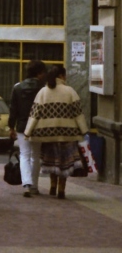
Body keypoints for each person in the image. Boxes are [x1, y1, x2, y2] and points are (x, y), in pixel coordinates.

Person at [25, 65, 88, 199]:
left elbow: (35, 113)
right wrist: (83, 130)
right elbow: (78, 113)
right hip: (68, 134)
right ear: (61, 76)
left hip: (48, 134)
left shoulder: (43, 91)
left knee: (53, 161)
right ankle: (61, 189)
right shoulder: (70, 91)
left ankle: (52, 186)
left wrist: (28, 131)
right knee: (64, 163)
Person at [8, 60, 46, 197]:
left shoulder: (18, 87)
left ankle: (26, 184)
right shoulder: (44, 88)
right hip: (38, 126)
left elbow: (13, 109)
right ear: (40, 73)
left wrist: (11, 126)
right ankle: (35, 185)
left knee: (24, 154)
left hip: (22, 125)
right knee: (36, 156)